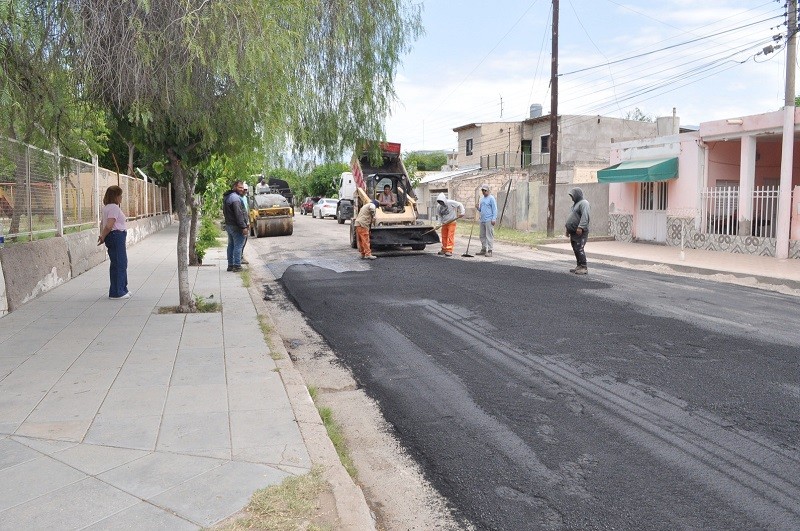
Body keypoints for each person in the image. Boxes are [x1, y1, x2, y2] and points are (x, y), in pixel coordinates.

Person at [97, 185, 130, 299]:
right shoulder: (114, 208)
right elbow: (109, 225)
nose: (121, 198)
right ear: (115, 196)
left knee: (119, 262)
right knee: (119, 263)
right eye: (120, 195)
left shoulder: (106, 207)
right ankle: (117, 292)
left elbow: (103, 223)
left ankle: (123, 288)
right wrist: (103, 236)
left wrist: (102, 236)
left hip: (114, 236)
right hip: (116, 236)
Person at [223, 180, 249, 272]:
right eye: (240, 187)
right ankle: (237, 266)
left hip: (229, 225)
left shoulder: (228, 197)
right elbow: (239, 214)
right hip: (236, 226)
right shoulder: (235, 199)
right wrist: (243, 227)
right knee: (238, 246)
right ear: (234, 187)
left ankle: (230, 265)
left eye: (242, 188)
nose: (242, 189)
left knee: (231, 245)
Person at [565, 187, 591, 275]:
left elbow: (585, 216)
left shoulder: (584, 203)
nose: (572, 197)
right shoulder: (575, 205)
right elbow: (572, 218)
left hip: (580, 231)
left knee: (579, 248)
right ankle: (579, 265)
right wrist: (567, 229)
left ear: (577, 195)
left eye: (573, 195)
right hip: (573, 232)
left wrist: (581, 227)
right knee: (575, 248)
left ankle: (584, 267)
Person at [435, 192, 465, 257]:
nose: (441, 203)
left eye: (441, 201)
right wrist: (438, 224)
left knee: (450, 236)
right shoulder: (438, 207)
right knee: (444, 236)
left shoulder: (450, 202)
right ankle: (444, 249)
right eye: (439, 202)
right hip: (444, 223)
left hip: (452, 222)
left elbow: (460, 204)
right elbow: (439, 216)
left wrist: (462, 212)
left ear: (444, 200)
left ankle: (449, 250)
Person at [475, 183, 497, 257]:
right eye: (483, 190)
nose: (484, 192)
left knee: (489, 235)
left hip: (489, 219)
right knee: (482, 235)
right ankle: (484, 249)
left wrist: (494, 219)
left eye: (485, 190)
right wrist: (477, 207)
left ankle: (490, 251)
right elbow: (481, 209)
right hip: (482, 220)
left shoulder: (491, 198)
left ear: (488, 191)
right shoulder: (481, 199)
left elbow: (495, 209)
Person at [240, 182, 250, 264]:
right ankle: (239, 257)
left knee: (245, 239)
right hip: (242, 222)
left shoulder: (245, 198)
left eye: (246, 190)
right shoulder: (239, 198)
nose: (245, 191)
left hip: (245, 221)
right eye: (244, 190)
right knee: (241, 240)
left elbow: (246, 210)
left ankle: (240, 256)